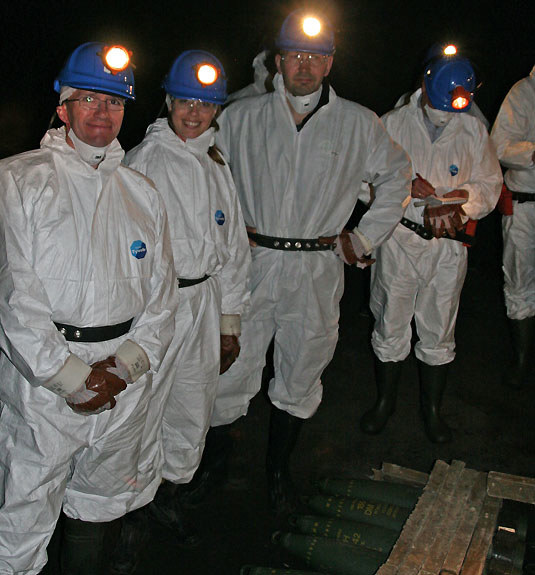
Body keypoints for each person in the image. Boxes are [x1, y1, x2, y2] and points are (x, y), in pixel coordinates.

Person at [187, 9, 412, 515]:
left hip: (316, 267)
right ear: (278, 61)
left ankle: (278, 470)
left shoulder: (358, 123)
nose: (304, 66)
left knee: (302, 369)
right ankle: (214, 469)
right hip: (251, 262)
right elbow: (192, 165)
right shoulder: (241, 117)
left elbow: (396, 176)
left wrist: (366, 236)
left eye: (315, 56)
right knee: (229, 369)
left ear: (329, 63)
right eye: (295, 55)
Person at [0, 42, 178, 574]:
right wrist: (71, 378)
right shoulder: (17, 180)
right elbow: (13, 296)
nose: (103, 112)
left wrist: (123, 367)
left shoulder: (142, 192)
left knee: (98, 506)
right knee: (23, 512)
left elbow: (163, 297)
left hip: (122, 381)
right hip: (44, 383)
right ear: (63, 107)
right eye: (89, 99)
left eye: (114, 102)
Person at [108, 50, 251, 572]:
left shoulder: (216, 163)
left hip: (205, 303)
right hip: (160, 305)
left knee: (191, 407)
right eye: (186, 101)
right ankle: (129, 520)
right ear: (168, 101)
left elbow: (233, 244)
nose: (195, 113)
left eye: (207, 104)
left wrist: (229, 323)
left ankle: (166, 502)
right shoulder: (145, 161)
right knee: (143, 413)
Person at [361, 55, 502, 443]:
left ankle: (432, 409)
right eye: (440, 105)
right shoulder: (391, 125)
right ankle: (385, 402)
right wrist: (403, 188)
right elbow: (361, 181)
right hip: (400, 241)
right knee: (391, 320)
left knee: (439, 327)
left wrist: (463, 200)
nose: (446, 114)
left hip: (448, 247)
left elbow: (491, 184)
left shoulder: (473, 130)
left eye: (454, 107)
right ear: (424, 88)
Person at [491, 64, 535, 388]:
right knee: (520, 280)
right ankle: (521, 361)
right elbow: (499, 145)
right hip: (525, 205)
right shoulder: (524, 92)